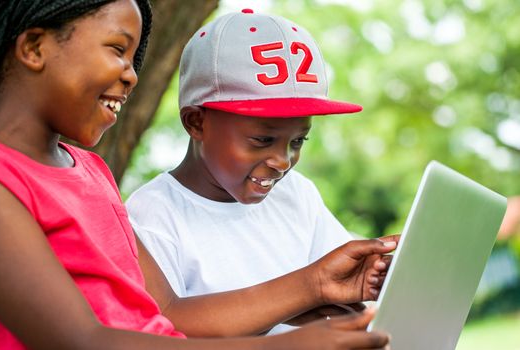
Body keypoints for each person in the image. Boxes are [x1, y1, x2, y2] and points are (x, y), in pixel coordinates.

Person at [0, 1, 396, 349]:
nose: (132, 74)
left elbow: (165, 313)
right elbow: (80, 341)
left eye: (134, 57)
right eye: (118, 49)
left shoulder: (90, 171)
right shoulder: (4, 183)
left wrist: (313, 293)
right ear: (34, 47)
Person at [126, 8, 395, 335]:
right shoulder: (152, 215)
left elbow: (341, 296)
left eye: (298, 140)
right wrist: (310, 287)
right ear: (196, 122)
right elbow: (162, 329)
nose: (282, 160)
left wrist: (378, 277)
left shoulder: (297, 193)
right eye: (262, 139)